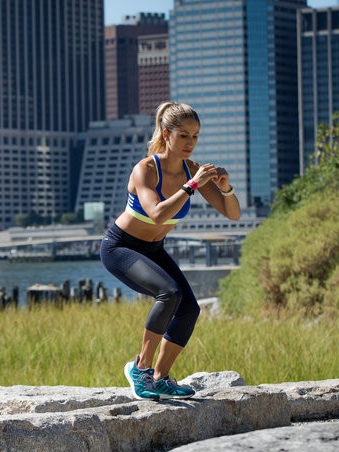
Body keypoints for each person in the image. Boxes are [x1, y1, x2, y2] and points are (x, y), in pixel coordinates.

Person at [100, 101, 241, 400]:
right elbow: (157, 214)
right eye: (184, 135)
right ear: (167, 134)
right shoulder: (146, 169)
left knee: (190, 308)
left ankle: (161, 378)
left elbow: (233, 214)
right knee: (169, 293)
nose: (190, 143)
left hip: (154, 249)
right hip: (120, 247)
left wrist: (226, 187)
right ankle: (140, 368)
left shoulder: (193, 170)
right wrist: (191, 186)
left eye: (196, 136)